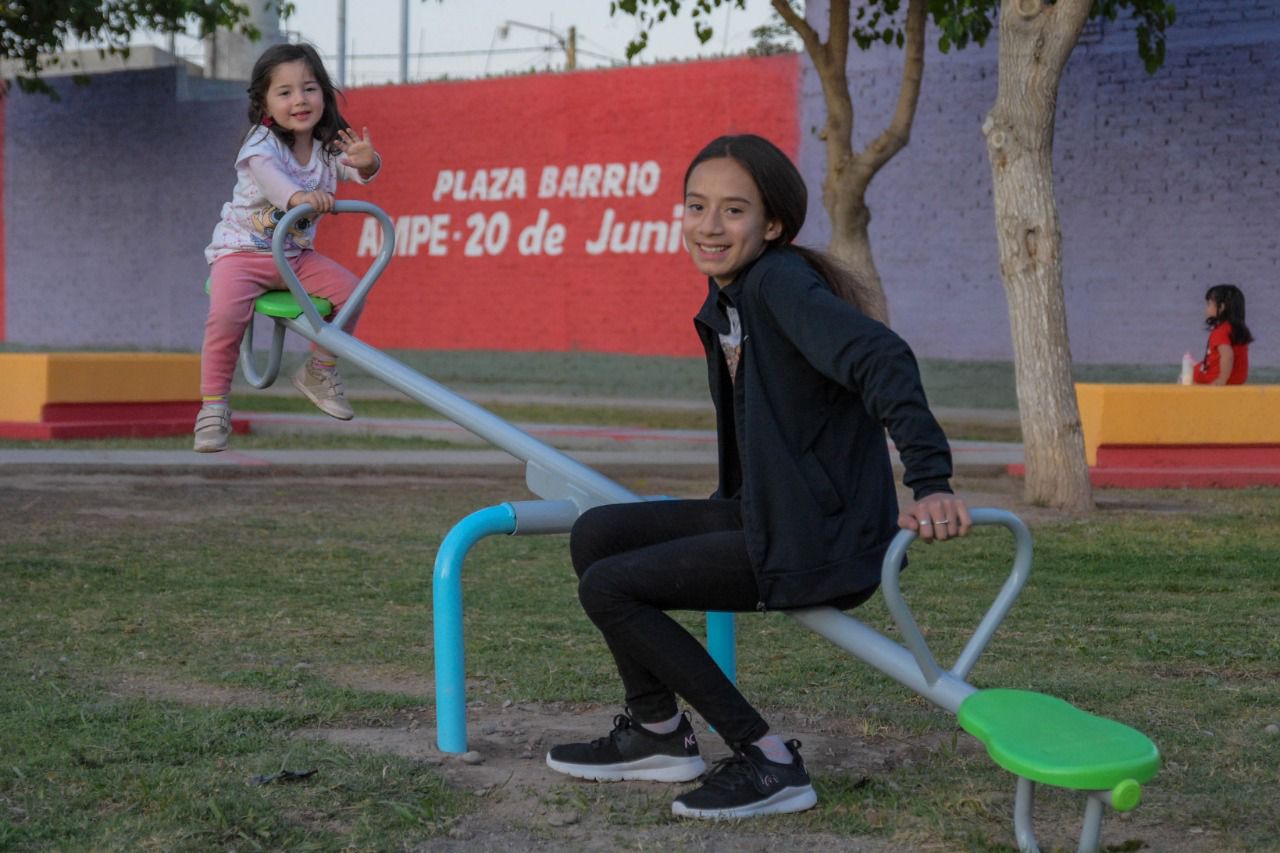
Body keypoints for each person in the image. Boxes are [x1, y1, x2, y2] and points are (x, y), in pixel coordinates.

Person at [544, 134, 971, 820]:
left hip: (822, 539)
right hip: (770, 514)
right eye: (696, 206)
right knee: (598, 533)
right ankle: (656, 731)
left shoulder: (778, 285)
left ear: (771, 224)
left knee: (609, 586)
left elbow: (883, 357)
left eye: (733, 210)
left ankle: (767, 759)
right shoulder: (731, 302)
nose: (709, 226)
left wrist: (931, 480)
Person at [194, 43, 383, 453]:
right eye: (285, 92)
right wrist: (299, 197)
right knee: (226, 316)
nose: (299, 100)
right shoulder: (260, 144)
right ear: (265, 102)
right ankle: (213, 405)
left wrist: (367, 162)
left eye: (309, 88)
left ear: (324, 94)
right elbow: (273, 184)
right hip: (241, 253)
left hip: (292, 257)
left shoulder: (325, 145)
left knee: (350, 293)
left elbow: (355, 170)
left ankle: (320, 368)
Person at [1192, 284, 1252, 386]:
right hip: (1239, 379)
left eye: (1209, 304)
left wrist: (1222, 379)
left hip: (1220, 378)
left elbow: (1227, 356)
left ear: (1221, 307)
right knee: (1199, 366)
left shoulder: (1220, 331)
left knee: (1193, 371)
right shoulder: (1239, 329)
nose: (1207, 308)